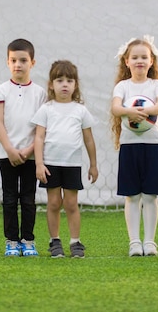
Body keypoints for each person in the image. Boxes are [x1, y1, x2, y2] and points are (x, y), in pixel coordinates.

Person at [31, 60, 99, 258]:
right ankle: (55, 241)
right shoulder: (46, 109)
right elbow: (39, 137)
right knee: (53, 203)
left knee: (71, 203)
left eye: (69, 80)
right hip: (50, 164)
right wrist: (39, 163)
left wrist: (93, 165)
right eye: (59, 80)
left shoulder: (80, 110)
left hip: (72, 165)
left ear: (75, 85)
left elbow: (89, 139)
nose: (65, 84)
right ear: (51, 84)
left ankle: (75, 242)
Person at [111, 36, 158, 257]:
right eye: (134, 57)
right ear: (126, 61)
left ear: (151, 61)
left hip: (153, 146)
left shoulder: (156, 85)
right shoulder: (122, 86)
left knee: (151, 196)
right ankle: (134, 242)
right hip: (129, 146)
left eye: (144, 57)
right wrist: (130, 112)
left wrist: (148, 111)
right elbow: (116, 108)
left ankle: (150, 242)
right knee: (132, 196)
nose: (139, 61)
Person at [0, 38, 47, 257]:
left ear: (32, 62)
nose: (18, 65)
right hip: (7, 156)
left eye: (23, 60)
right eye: (14, 60)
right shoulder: (1, 90)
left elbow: (42, 129)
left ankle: (28, 240)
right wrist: (10, 150)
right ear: (7, 62)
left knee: (28, 198)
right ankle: (11, 240)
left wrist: (28, 151)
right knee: (9, 198)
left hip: (31, 156)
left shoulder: (40, 93)